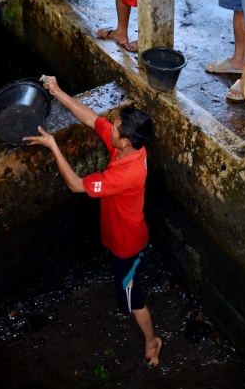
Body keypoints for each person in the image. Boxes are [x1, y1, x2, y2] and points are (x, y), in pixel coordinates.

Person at [23, 76, 161, 365]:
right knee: (125, 283)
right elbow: (91, 119)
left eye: (117, 129)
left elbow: (76, 185)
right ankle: (126, 303)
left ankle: (152, 342)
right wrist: (58, 91)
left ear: (125, 140)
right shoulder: (131, 147)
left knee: (133, 295)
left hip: (127, 244)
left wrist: (53, 146)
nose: (110, 128)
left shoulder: (125, 174)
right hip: (120, 233)